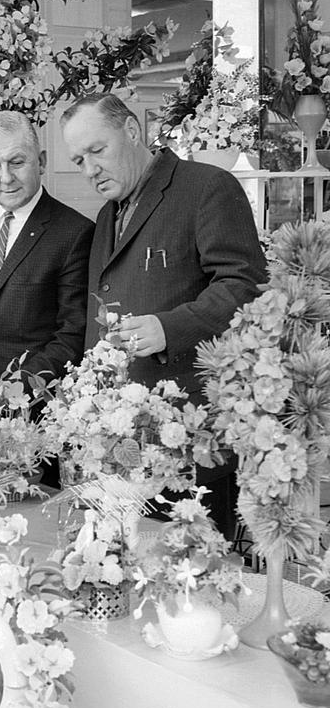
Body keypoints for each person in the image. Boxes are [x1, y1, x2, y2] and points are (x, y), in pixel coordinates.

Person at [59, 92, 267, 536]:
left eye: (98, 151)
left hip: (193, 442)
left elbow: (246, 286)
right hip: (121, 443)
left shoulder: (207, 186)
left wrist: (168, 327)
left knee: (199, 589)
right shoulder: (106, 215)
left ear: (132, 131)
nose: (90, 169)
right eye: (78, 160)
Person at [0, 110, 94, 391]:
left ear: (41, 162)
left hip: (33, 407)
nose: (6, 178)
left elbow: (72, 335)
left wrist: (14, 388)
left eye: (16, 162)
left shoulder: (75, 233)